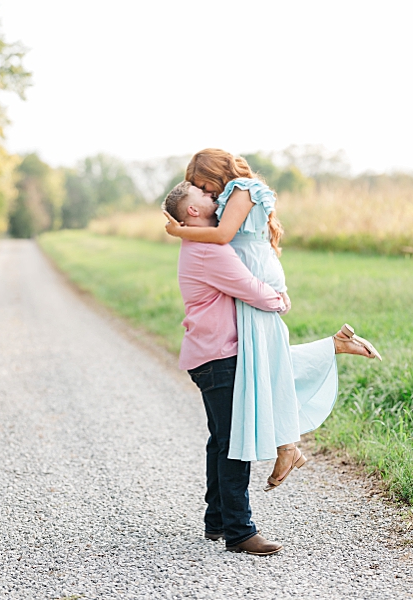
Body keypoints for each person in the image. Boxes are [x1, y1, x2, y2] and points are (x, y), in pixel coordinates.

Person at [164, 149, 381, 492]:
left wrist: (180, 232)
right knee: (265, 362)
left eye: (203, 184)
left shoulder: (241, 189)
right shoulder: (232, 194)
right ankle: (288, 443)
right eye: (200, 189)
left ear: (216, 172)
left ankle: (288, 444)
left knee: (264, 363)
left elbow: (222, 237)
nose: (205, 192)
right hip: (252, 273)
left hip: (253, 274)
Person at [163, 181, 288, 555]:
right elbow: (248, 286)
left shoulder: (197, 243)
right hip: (219, 356)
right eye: (205, 195)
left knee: (221, 440)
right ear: (193, 212)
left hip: (208, 354)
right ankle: (239, 530)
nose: (214, 197)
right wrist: (279, 300)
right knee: (234, 443)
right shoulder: (208, 249)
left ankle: (216, 520)